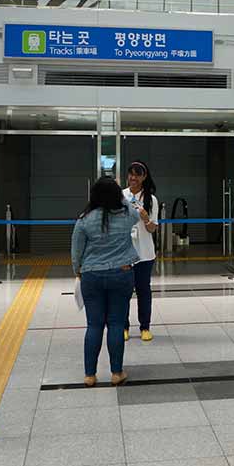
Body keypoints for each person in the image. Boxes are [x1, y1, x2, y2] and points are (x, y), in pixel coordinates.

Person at [72, 177, 141, 387]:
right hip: (121, 273)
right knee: (116, 324)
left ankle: (90, 375)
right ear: (117, 196)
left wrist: (79, 272)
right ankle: (116, 373)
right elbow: (136, 213)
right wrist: (122, 194)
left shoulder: (84, 219)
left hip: (92, 275)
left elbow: (76, 252)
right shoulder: (126, 214)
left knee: (94, 325)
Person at [122, 161, 159, 343]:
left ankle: (145, 327)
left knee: (144, 291)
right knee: (123, 292)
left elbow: (153, 229)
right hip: (124, 253)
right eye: (131, 174)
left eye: (137, 175)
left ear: (144, 177)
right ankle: (124, 327)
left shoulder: (151, 200)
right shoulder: (121, 196)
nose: (133, 178)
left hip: (144, 253)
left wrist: (146, 219)